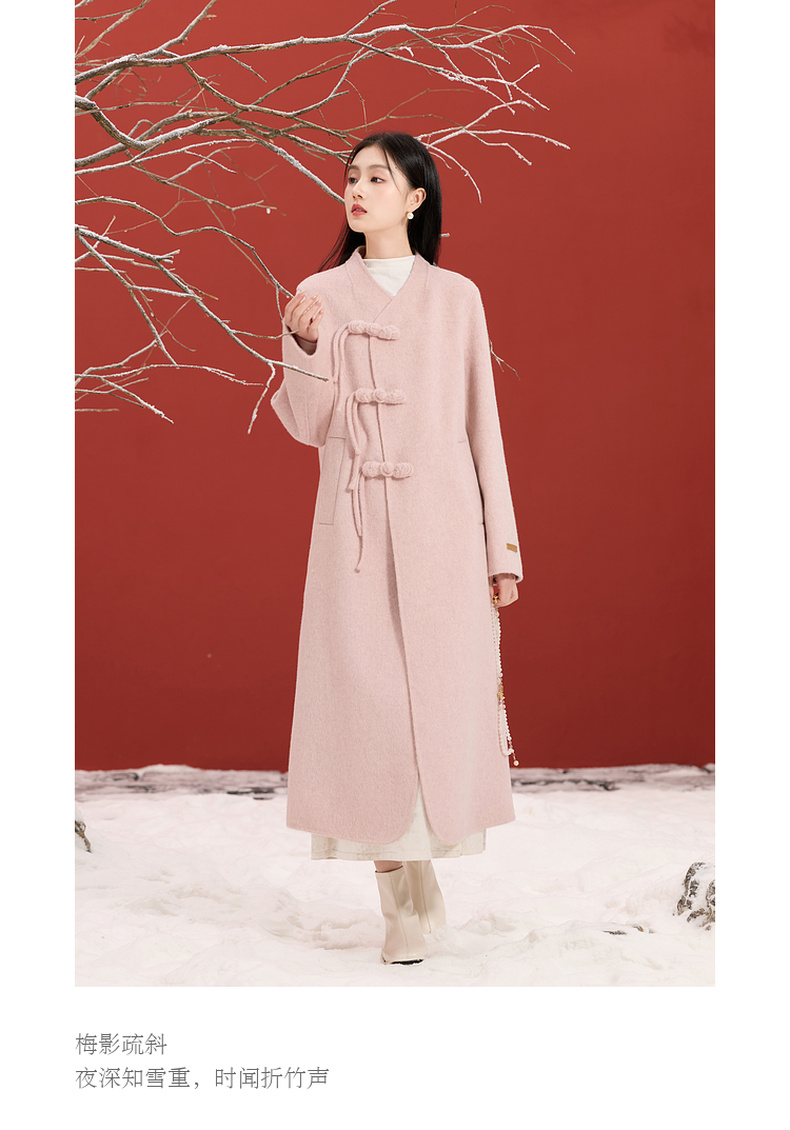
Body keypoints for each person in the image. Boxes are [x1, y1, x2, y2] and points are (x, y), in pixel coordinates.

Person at [271, 132, 521, 965]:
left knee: (436, 711)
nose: (358, 189)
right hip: (355, 533)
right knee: (371, 716)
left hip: (444, 530)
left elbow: (483, 426)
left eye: (378, 177)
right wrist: (305, 349)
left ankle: (419, 875)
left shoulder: (458, 299)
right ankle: (399, 905)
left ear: (416, 198)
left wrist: (502, 548)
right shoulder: (317, 294)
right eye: (351, 176)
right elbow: (311, 427)